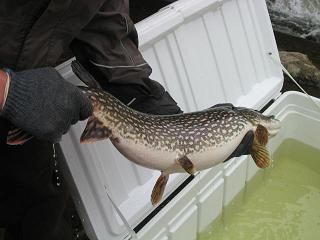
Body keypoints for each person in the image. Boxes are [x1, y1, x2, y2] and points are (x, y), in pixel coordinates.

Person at [0, 1, 253, 239]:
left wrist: (139, 91)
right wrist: (8, 90)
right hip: (19, 91)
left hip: (30, 100)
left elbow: (104, 24)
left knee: (41, 215)